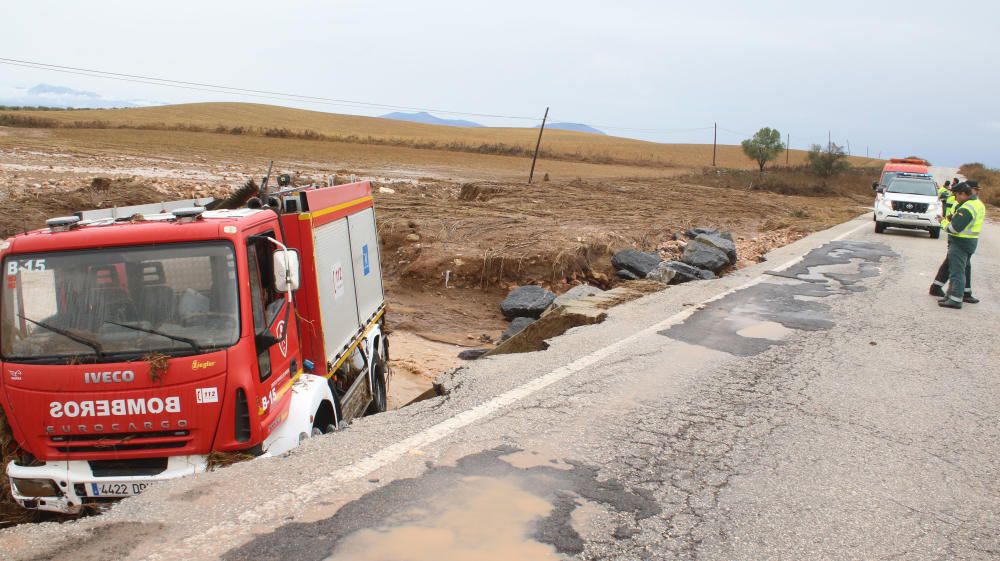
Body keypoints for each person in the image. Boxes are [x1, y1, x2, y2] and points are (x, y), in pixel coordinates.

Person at [938, 181, 986, 309]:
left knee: (957, 272)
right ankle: (950, 296)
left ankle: (955, 299)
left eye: (956, 195)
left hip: (960, 242)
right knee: (957, 270)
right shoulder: (977, 204)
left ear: (963, 194)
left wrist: (942, 222)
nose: (955, 198)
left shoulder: (967, 207)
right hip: (968, 241)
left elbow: (953, 229)